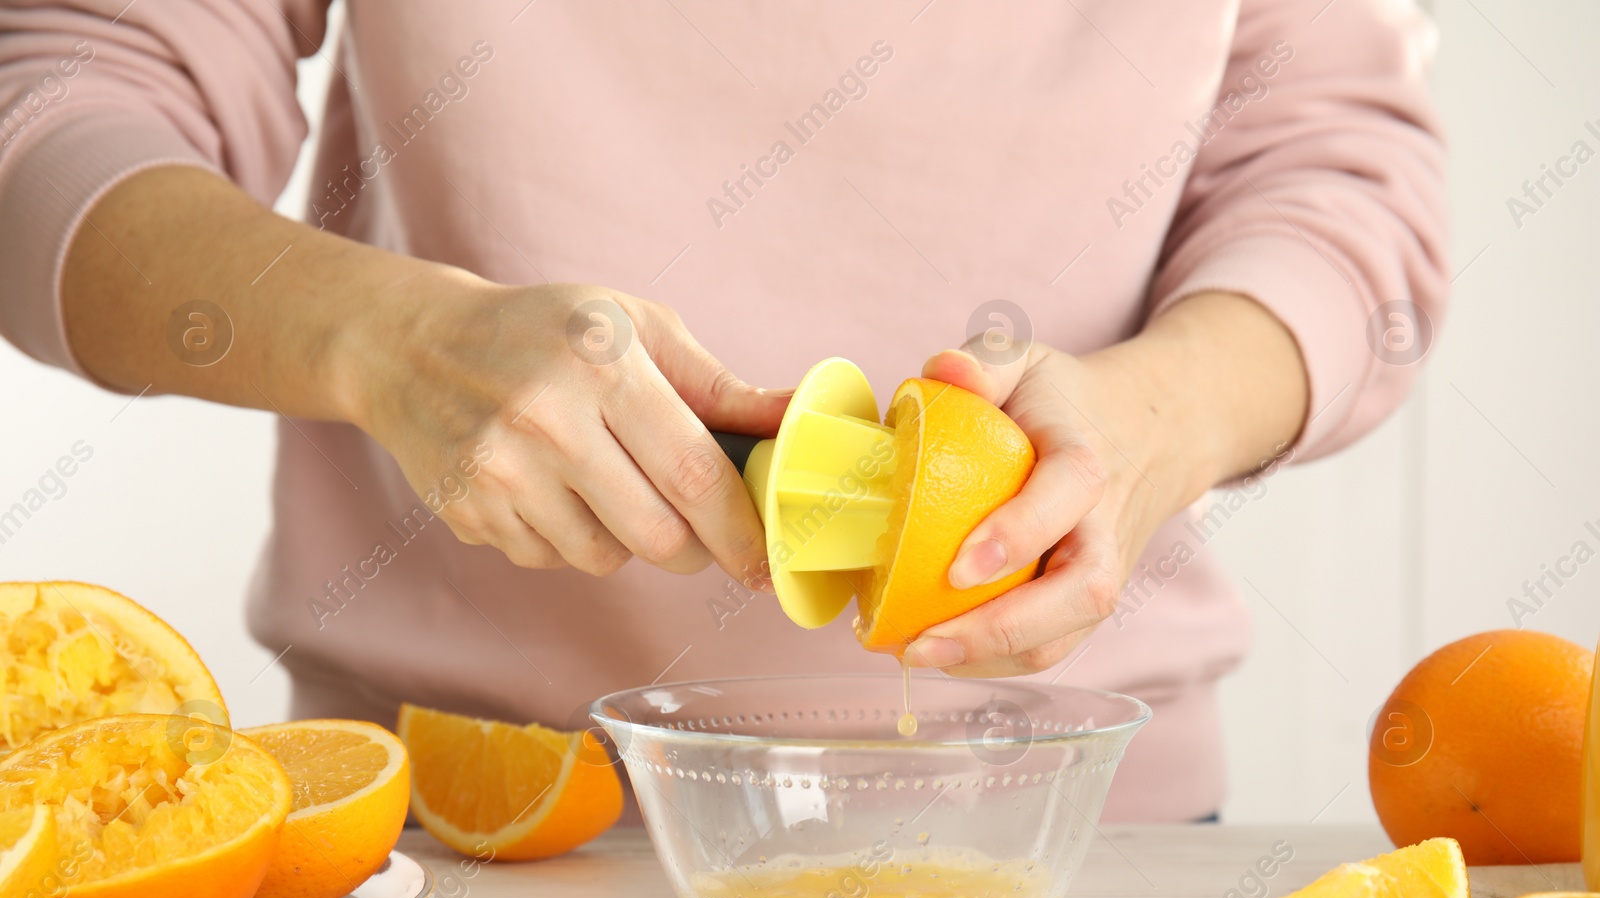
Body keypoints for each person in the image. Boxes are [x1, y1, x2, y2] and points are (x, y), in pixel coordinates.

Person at [0, 0, 1446, 822]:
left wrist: (1152, 423)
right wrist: (387, 337)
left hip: (1074, 845)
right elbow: (59, 96)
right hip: (475, 839)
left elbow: (1338, 178)